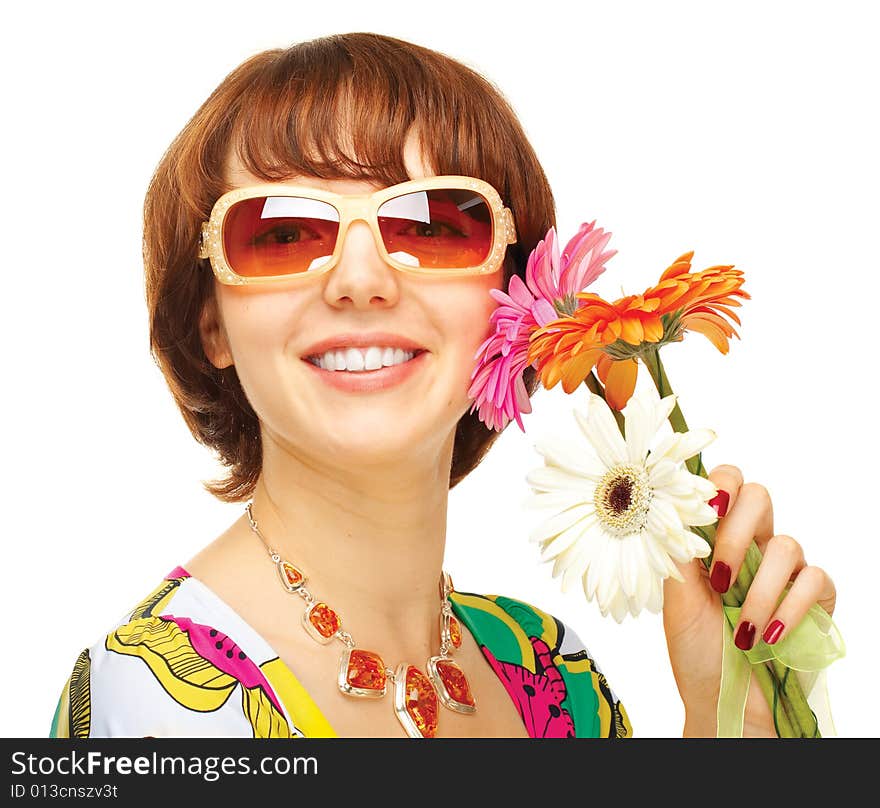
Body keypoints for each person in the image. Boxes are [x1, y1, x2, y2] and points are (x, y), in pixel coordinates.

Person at [49, 32, 835, 739]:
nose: (361, 279)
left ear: (517, 304)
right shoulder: (144, 706)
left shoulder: (560, 680)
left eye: (430, 225)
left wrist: (732, 719)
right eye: (282, 233)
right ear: (212, 322)